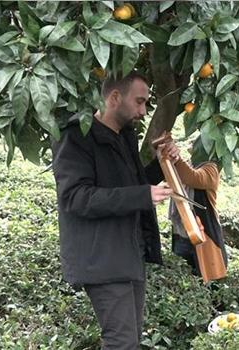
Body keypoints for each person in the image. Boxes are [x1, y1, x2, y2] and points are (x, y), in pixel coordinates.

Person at [51, 71, 180, 349]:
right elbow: (76, 198)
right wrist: (141, 195)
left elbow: (135, 186)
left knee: (129, 340)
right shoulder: (76, 136)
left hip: (128, 253)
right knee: (122, 342)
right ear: (114, 98)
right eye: (139, 102)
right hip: (102, 259)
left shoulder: (125, 136)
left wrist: (161, 163)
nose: (143, 111)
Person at [168, 146, 228, 279]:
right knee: (181, 278)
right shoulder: (191, 165)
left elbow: (192, 177)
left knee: (208, 277)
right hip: (182, 233)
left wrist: (177, 160)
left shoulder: (211, 169)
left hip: (204, 235)